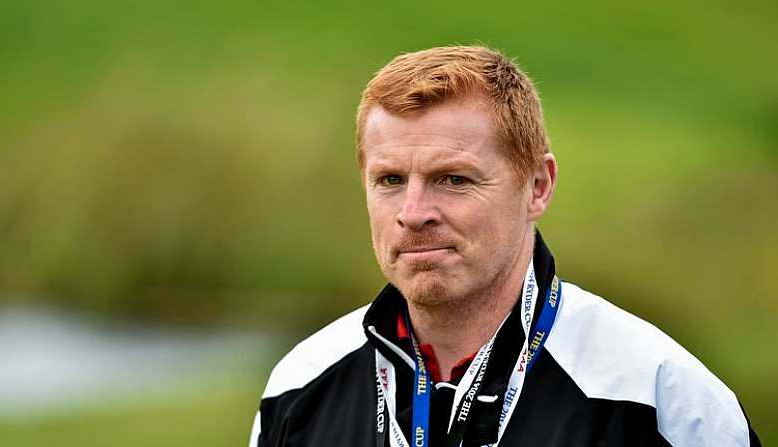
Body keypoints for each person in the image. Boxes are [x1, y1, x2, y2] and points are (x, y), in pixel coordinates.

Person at [249, 45, 761, 446]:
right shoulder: (299, 385)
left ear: (537, 186)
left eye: (453, 179)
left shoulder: (658, 397)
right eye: (389, 180)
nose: (412, 212)